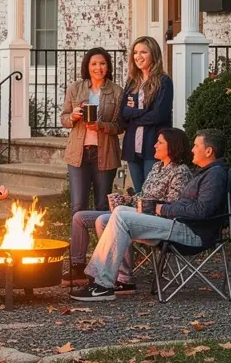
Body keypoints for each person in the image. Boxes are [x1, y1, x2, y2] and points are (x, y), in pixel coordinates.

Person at [72, 129, 230, 302]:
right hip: (177, 223)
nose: (192, 149)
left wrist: (162, 209)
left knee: (122, 218)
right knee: (119, 211)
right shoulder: (205, 173)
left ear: (208, 151)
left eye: (196, 145)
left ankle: (103, 285)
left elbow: (201, 211)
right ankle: (101, 279)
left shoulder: (215, 175)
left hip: (192, 233)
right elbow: (187, 205)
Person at [68, 127, 192, 289]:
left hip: (157, 220)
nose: (154, 145)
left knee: (105, 220)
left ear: (172, 147)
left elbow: (172, 204)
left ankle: (121, 277)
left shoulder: (180, 172)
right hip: (138, 212)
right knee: (85, 217)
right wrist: (128, 199)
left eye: (159, 142)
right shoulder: (157, 167)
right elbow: (145, 194)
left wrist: (144, 204)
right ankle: (92, 271)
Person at [62, 47, 124, 217]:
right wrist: (73, 117)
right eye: (94, 64)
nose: (98, 68)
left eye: (102, 63)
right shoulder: (75, 88)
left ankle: (103, 243)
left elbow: (120, 125)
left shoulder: (117, 92)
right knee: (77, 205)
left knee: (103, 206)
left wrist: (101, 126)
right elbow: (64, 118)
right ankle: (78, 243)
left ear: (108, 66)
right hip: (78, 153)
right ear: (87, 66)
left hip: (105, 153)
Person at [120, 37, 173, 194]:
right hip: (132, 144)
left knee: (150, 193)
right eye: (135, 52)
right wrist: (143, 111)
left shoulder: (164, 81)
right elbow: (123, 112)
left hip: (153, 144)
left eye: (143, 52)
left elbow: (159, 115)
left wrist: (133, 114)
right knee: (138, 192)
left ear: (154, 55)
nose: (138, 56)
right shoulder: (132, 81)